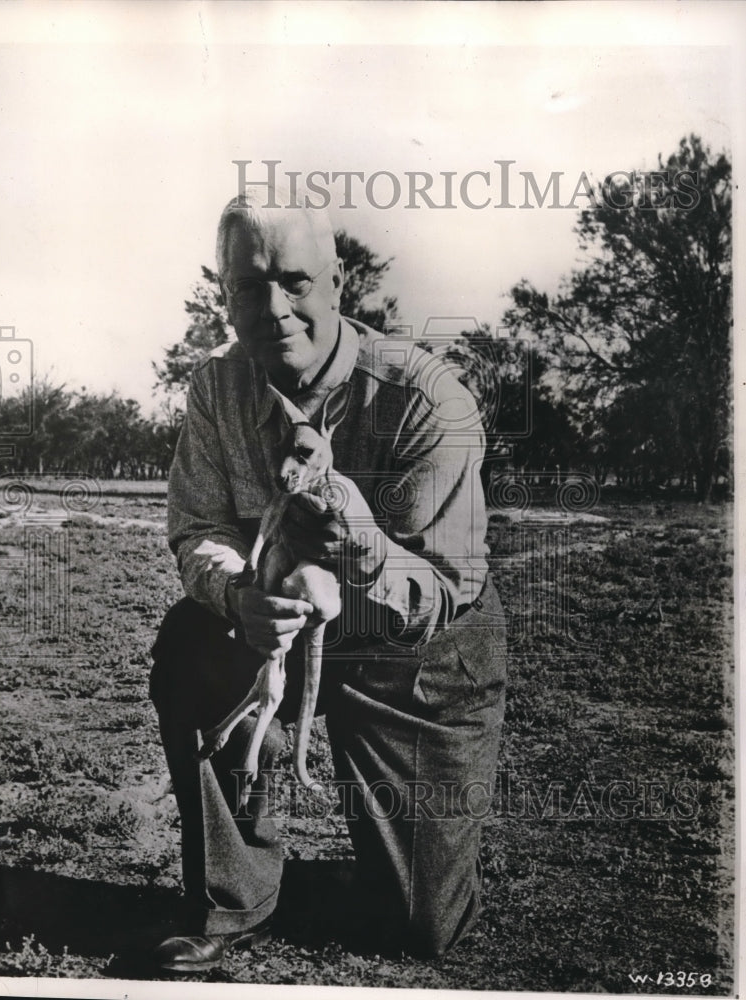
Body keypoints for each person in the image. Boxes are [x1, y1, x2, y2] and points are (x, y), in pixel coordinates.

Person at [149, 187, 507, 971]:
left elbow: (443, 589)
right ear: (226, 294)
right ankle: (233, 894)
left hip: (411, 651)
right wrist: (237, 597)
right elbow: (199, 528)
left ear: (337, 283)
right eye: (248, 286)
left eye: (295, 282)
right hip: (273, 619)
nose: (272, 308)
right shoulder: (216, 388)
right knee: (189, 639)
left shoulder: (426, 400)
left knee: (421, 928)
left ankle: (379, 877)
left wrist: (364, 546)